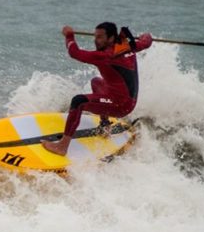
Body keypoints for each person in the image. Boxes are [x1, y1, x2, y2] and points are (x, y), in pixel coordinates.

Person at [41, 22, 153, 156]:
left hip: (120, 105)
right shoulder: (129, 46)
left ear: (111, 38)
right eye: (95, 36)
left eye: (100, 37)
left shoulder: (106, 56)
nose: (96, 40)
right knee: (96, 82)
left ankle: (62, 147)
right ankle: (105, 126)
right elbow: (146, 42)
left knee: (78, 101)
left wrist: (69, 36)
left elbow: (75, 53)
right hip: (126, 99)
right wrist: (146, 37)